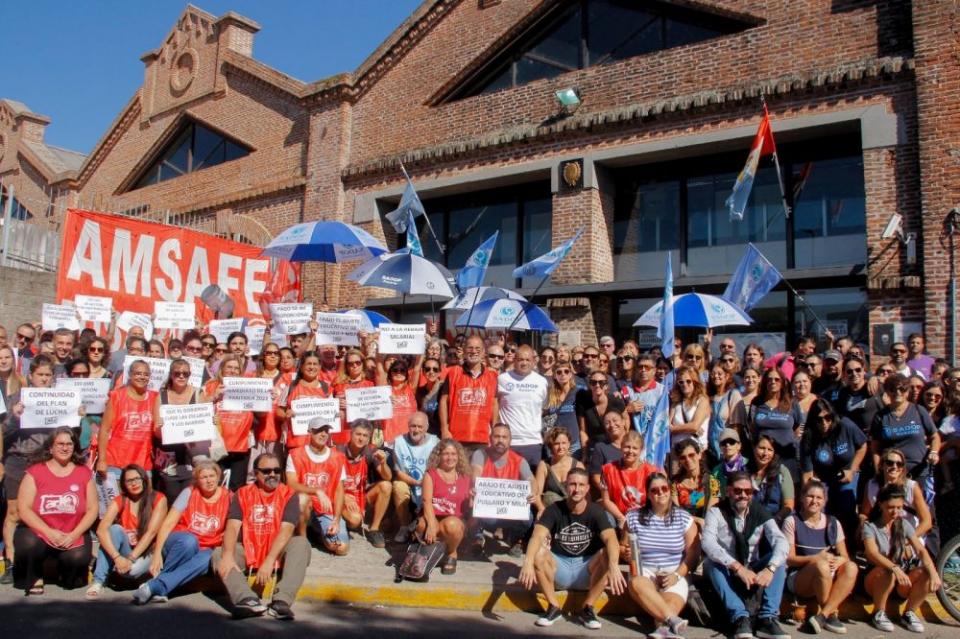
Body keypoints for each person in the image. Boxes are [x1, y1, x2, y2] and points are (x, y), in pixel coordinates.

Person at [518, 467, 626, 629]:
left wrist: (613, 565)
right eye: (572, 484)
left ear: (588, 488)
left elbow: (611, 538)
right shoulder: (554, 509)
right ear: (566, 486)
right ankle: (554, 607)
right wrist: (527, 562)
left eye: (581, 485)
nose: (577, 489)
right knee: (539, 553)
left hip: (587, 570)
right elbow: (538, 536)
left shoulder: (596, 511)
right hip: (560, 568)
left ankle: (587, 608)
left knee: (606, 553)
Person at [214, 452, 309, 620]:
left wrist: (270, 560)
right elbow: (232, 527)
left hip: (277, 550)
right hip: (249, 548)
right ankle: (247, 600)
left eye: (276, 470)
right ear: (255, 473)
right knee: (218, 555)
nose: (272, 474)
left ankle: (281, 602)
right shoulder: (242, 494)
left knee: (301, 544)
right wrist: (228, 555)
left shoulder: (289, 495)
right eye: (266, 471)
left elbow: (286, 530)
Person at [1, 355, 68, 582]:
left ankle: (41, 561)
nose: (44, 379)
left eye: (48, 375)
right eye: (40, 374)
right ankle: (10, 560)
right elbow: (4, 433)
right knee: (14, 512)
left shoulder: (60, 399)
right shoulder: (16, 398)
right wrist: (14, 417)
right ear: (31, 375)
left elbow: (68, 434)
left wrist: (77, 416)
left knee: (43, 512)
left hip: (45, 461)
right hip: (18, 460)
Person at [702, 471, 791, 639]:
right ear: (728, 491)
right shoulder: (716, 512)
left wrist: (770, 569)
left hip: (751, 566)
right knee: (710, 563)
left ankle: (767, 618)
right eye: (737, 491)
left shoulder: (759, 512)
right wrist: (738, 568)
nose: (743, 495)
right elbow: (708, 544)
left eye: (748, 492)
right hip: (727, 569)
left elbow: (781, 541)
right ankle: (740, 617)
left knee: (779, 559)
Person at [13, 427, 97, 595]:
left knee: (76, 562)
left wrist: (74, 534)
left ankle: (61, 571)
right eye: (60, 444)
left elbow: (92, 509)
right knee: (29, 545)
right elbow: (24, 509)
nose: (65, 448)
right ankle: (34, 574)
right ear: (50, 447)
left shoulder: (83, 473)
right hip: (39, 531)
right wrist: (49, 532)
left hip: (71, 532)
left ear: (74, 447)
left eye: (69, 444)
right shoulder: (35, 471)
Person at [135, 460, 231, 604]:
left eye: (212, 476)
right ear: (197, 480)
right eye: (204, 477)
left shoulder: (229, 497)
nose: (209, 481)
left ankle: (156, 586)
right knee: (189, 541)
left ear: (218, 477)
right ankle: (161, 584)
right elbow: (168, 524)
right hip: (181, 542)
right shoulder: (189, 492)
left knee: (211, 557)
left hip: (208, 548)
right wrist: (157, 553)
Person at [624, 472, 699, 639]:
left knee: (670, 603)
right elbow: (623, 546)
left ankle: (663, 630)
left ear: (669, 491)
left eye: (664, 488)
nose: (661, 493)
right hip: (645, 571)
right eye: (655, 490)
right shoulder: (633, 517)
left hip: (674, 572)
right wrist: (626, 553)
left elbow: (693, 553)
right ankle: (673, 620)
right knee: (637, 582)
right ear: (648, 494)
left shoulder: (684, 518)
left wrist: (677, 575)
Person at [862, 484, 940, 633]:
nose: (895, 512)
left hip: (899, 580)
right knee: (886, 571)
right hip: (876, 580)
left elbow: (921, 550)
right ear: (881, 505)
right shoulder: (870, 527)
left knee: (925, 571)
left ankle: (909, 613)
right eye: (891, 507)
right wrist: (894, 567)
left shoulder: (904, 524)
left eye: (899, 507)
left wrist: (933, 572)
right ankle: (879, 612)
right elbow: (873, 553)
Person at [782, 480, 857, 635]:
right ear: (802, 498)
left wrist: (841, 560)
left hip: (827, 573)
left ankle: (824, 615)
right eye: (810, 496)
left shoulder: (833, 523)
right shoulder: (792, 522)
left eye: (819, 498)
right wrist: (815, 558)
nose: (814, 501)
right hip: (799, 577)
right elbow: (789, 559)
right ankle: (830, 614)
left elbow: (845, 556)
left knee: (851, 567)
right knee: (821, 565)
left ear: (824, 501)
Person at [88, 464, 167, 599]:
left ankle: (137, 575)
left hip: (147, 552)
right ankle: (98, 581)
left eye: (137, 479)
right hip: (125, 551)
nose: (134, 483)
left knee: (133, 571)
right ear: (123, 484)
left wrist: (129, 559)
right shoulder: (120, 500)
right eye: (129, 481)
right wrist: (117, 558)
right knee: (114, 529)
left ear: (144, 479)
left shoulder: (158, 498)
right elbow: (101, 530)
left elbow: (151, 533)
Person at [799, 399, 866, 540]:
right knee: (818, 506)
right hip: (823, 477)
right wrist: (810, 492)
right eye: (819, 419)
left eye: (828, 417)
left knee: (846, 505)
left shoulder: (845, 425)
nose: (824, 423)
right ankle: (822, 543)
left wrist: (852, 470)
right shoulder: (809, 436)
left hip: (846, 473)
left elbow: (863, 445)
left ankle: (850, 545)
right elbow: (807, 473)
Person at [97, 359, 161, 502]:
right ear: (130, 375)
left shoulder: (155, 397)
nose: (142, 377)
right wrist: (102, 460)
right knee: (116, 507)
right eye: (138, 373)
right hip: (116, 461)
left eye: (145, 374)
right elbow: (105, 430)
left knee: (143, 506)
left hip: (143, 463)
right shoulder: (117, 396)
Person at [470, 423, 536, 556]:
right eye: (497, 436)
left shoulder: (519, 460)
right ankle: (477, 536)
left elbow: (531, 480)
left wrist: (532, 491)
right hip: (487, 510)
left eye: (504, 437)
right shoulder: (480, 454)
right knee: (471, 504)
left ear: (510, 440)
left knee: (528, 517)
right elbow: (476, 470)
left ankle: (514, 539)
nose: (500, 440)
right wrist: (475, 485)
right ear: (490, 438)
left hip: (508, 511)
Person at [286, 418, 349, 556]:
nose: (323, 434)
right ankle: (302, 540)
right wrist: (316, 491)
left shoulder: (337, 457)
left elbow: (339, 491)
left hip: (326, 510)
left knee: (341, 548)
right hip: (304, 507)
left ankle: (318, 535)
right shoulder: (295, 454)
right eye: (318, 430)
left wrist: (336, 520)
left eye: (326, 430)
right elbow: (291, 484)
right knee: (303, 499)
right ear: (309, 432)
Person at [860, 448, 933, 553]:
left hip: (906, 536)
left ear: (903, 468)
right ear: (881, 465)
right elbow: (864, 513)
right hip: (880, 535)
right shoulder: (872, 485)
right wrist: (864, 527)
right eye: (890, 463)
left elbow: (927, 522)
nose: (894, 467)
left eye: (899, 464)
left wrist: (907, 539)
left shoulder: (911, 487)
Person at [418, 438, 472, 575]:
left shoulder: (466, 478)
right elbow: (426, 501)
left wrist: (474, 498)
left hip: (455, 519)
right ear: (439, 456)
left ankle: (451, 552)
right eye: (446, 454)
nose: (450, 457)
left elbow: (469, 507)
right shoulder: (431, 474)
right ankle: (431, 551)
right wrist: (431, 523)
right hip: (432, 515)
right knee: (422, 525)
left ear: (459, 457)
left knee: (452, 525)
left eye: (454, 454)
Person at [870, 374, 939, 476]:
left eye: (902, 389)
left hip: (918, 470)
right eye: (893, 389)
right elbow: (875, 447)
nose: (898, 392)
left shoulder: (919, 410)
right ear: (887, 391)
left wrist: (934, 452)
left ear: (907, 392)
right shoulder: (880, 416)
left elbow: (935, 436)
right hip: (892, 471)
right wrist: (878, 470)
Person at [337, 419, 392, 548]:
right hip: (339, 494)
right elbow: (328, 482)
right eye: (358, 434)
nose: (361, 439)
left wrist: (383, 463)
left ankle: (374, 529)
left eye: (365, 436)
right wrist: (344, 497)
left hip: (360, 494)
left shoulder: (370, 452)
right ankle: (341, 519)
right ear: (351, 434)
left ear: (369, 439)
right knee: (354, 521)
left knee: (386, 486)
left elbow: (388, 477)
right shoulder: (338, 451)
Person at [203, 355, 255, 490]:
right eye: (229, 367)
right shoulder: (210, 385)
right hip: (217, 445)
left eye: (236, 368)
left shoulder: (248, 386)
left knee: (237, 486)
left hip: (241, 444)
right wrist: (214, 396)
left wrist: (267, 399)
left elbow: (259, 412)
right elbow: (198, 408)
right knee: (215, 483)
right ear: (222, 369)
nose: (233, 371)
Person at [439, 335, 499, 448]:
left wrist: (494, 429)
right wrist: (444, 429)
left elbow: (494, 404)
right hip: (456, 438)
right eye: (470, 348)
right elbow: (443, 402)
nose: (474, 351)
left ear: (483, 352)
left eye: (477, 348)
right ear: (464, 350)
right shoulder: (453, 373)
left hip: (482, 438)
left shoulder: (492, 376)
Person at [155, 359, 202, 502]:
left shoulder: (198, 394)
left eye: (185, 374)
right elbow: (156, 432)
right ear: (171, 375)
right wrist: (161, 429)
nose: (181, 376)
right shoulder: (161, 396)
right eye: (177, 373)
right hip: (169, 457)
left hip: (191, 455)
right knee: (171, 496)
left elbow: (205, 423)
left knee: (189, 498)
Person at [497, 345, 549, 468]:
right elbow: (495, 405)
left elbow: (544, 408)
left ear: (533, 361)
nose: (524, 363)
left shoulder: (542, 382)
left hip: (533, 441)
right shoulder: (502, 379)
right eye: (520, 359)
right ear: (514, 360)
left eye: (527, 360)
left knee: (530, 483)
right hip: (508, 441)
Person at [392, 411, 440, 542]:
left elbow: (438, 472)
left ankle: (426, 526)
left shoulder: (435, 443)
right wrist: (417, 483)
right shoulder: (399, 442)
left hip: (429, 484)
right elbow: (398, 472)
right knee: (398, 486)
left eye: (420, 427)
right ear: (408, 426)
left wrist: (425, 484)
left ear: (427, 428)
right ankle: (404, 526)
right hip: (409, 481)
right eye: (413, 426)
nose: (416, 430)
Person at [600, 431, 660, 529]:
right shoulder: (608, 469)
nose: (630, 451)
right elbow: (606, 500)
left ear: (641, 450)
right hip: (618, 516)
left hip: (645, 514)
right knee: (606, 518)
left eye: (635, 448)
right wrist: (621, 518)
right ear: (621, 447)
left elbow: (656, 499)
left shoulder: (651, 471)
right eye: (627, 447)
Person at [751, 368, 804, 482]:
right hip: (763, 459)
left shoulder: (791, 402)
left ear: (783, 383)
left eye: (777, 379)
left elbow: (799, 426)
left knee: (787, 494)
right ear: (765, 382)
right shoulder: (756, 402)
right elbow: (752, 428)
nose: (773, 382)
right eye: (769, 379)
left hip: (787, 457)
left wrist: (793, 439)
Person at [277, 353, 330, 451]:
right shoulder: (291, 387)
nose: (311, 367)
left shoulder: (326, 388)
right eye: (308, 364)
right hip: (296, 443)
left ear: (319, 367)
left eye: (315, 364)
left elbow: (332, 413)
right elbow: (279, 411)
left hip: (320, 444)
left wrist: (337, 415)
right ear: (301, 367)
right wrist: (285, 415)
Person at [534, 427, 585, 514]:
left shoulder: (578, 465)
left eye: (564, 443)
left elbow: (585, 494)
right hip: (550, 511)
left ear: (569, 444)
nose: (561, 447)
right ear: (551, 445)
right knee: (549, 496)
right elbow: (537, 493)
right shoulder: (544, 465)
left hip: (573, 511)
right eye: (556, 444)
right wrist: (540, 508)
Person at [672, 439, 717, 530]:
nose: (687, 460)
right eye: (683, 457)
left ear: (699, 455)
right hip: (683, 529)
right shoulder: (674, 483)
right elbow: (675, 513)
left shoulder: (713, 481)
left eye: (691, 455)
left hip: (706, 528)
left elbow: (711, 512)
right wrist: (696, 520)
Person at [578, 370, 627, 453]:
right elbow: (583, 431)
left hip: (616, 445)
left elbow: (626, 423)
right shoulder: (584, 404)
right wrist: (584, 454)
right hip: (595, 448)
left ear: (606, 386)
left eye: (601, 382)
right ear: (590, 385)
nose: (597, 385)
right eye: (593, 382)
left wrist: (623, 445)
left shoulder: (616, 401)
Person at [751, 434, 795, 525]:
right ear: (754, 448)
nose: (765, 453)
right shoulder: (744, 471)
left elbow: (788, 505)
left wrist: (774, 521)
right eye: (762, 448)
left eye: (770, 450)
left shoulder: (782, 471)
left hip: (775, 522)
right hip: (750, 523)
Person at [707, 362, 746, 462]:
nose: (716, 376)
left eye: (719, 374)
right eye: (713, 374)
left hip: (727, 449)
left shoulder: (733, 394)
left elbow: (737, 426)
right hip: (711, 450)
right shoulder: (709, 398)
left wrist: (731, 448)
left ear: (727, 376)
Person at [832, 356, 882, 435]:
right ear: (844, 373)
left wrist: (875, 378)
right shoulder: (842, 394)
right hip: (854, 440)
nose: (854, 374)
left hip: (876, 438)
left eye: (858, 370)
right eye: (849, 371)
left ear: (863, 371)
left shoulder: (875, 387)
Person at [620, 353, 663, 442]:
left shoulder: (662, 391)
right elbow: (617, 416)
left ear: (654, 370)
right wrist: (627, 409)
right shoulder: (626, 391)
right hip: (634, 441)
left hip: (655, 440)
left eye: (647, 367)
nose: (643, 370)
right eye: (640, 367)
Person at [543, 361, 582, 458]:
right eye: (559, 372)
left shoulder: (578, 392)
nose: (563, 374)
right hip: (554, 444)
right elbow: (544, 416)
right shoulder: (550, 394)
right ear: (555, 376)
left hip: (573, 443)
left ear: (570, 374)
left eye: (566, 371)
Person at [669, 365, 710, 451]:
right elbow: (667, 426)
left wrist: (674, 429)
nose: (685, 384)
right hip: (676, 450)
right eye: (681, 382)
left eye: (688, 381)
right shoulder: (675, 402)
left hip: (695, 451)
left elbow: (694, 426)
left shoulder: (702, 401)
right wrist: (688, 428)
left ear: (695, 382)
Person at [589, 410, 628, 494]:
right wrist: (609, 494)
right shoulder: (601, 447)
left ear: (623, 422)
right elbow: (596, 478)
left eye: (615, 420)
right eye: (607, 423)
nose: (612, 425)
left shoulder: (634, 444)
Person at [711, 428, 749, 495]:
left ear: (739, 445)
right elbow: (714, 495)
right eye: (724, 443)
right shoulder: (715, 471)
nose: (727, 445)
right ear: (720, 447)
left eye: (731, 442)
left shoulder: (749, 464)